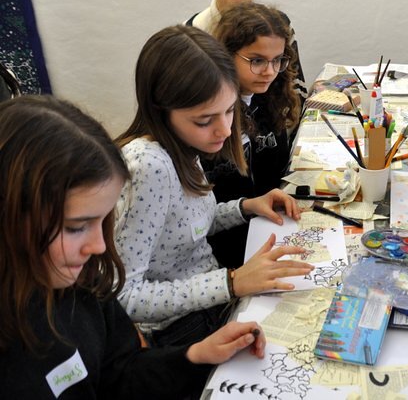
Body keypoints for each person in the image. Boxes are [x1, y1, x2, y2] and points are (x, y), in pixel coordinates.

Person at [0, 95, 267, 399]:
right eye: (76, 227)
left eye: (104, 222)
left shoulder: (83, 285)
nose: (99, 246)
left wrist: (195, 357)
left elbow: (121, 371)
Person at [114, 25, 314, 347]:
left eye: (230, 111)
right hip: (182, 329)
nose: (224, 130)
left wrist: (246, 206)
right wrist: (231, 281)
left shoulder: (183, 145)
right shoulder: (149, 166)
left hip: (214, 299)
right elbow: (125, 297)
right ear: (161, 111)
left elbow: (187, 225)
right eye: (205, 120)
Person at [204, 2, 303, 268]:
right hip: (225, 247)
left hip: (268, 226)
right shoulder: (211, 114)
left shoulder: (269, 96)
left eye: (277, 60)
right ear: (226, 55)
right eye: (257, 61)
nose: (269, 71)